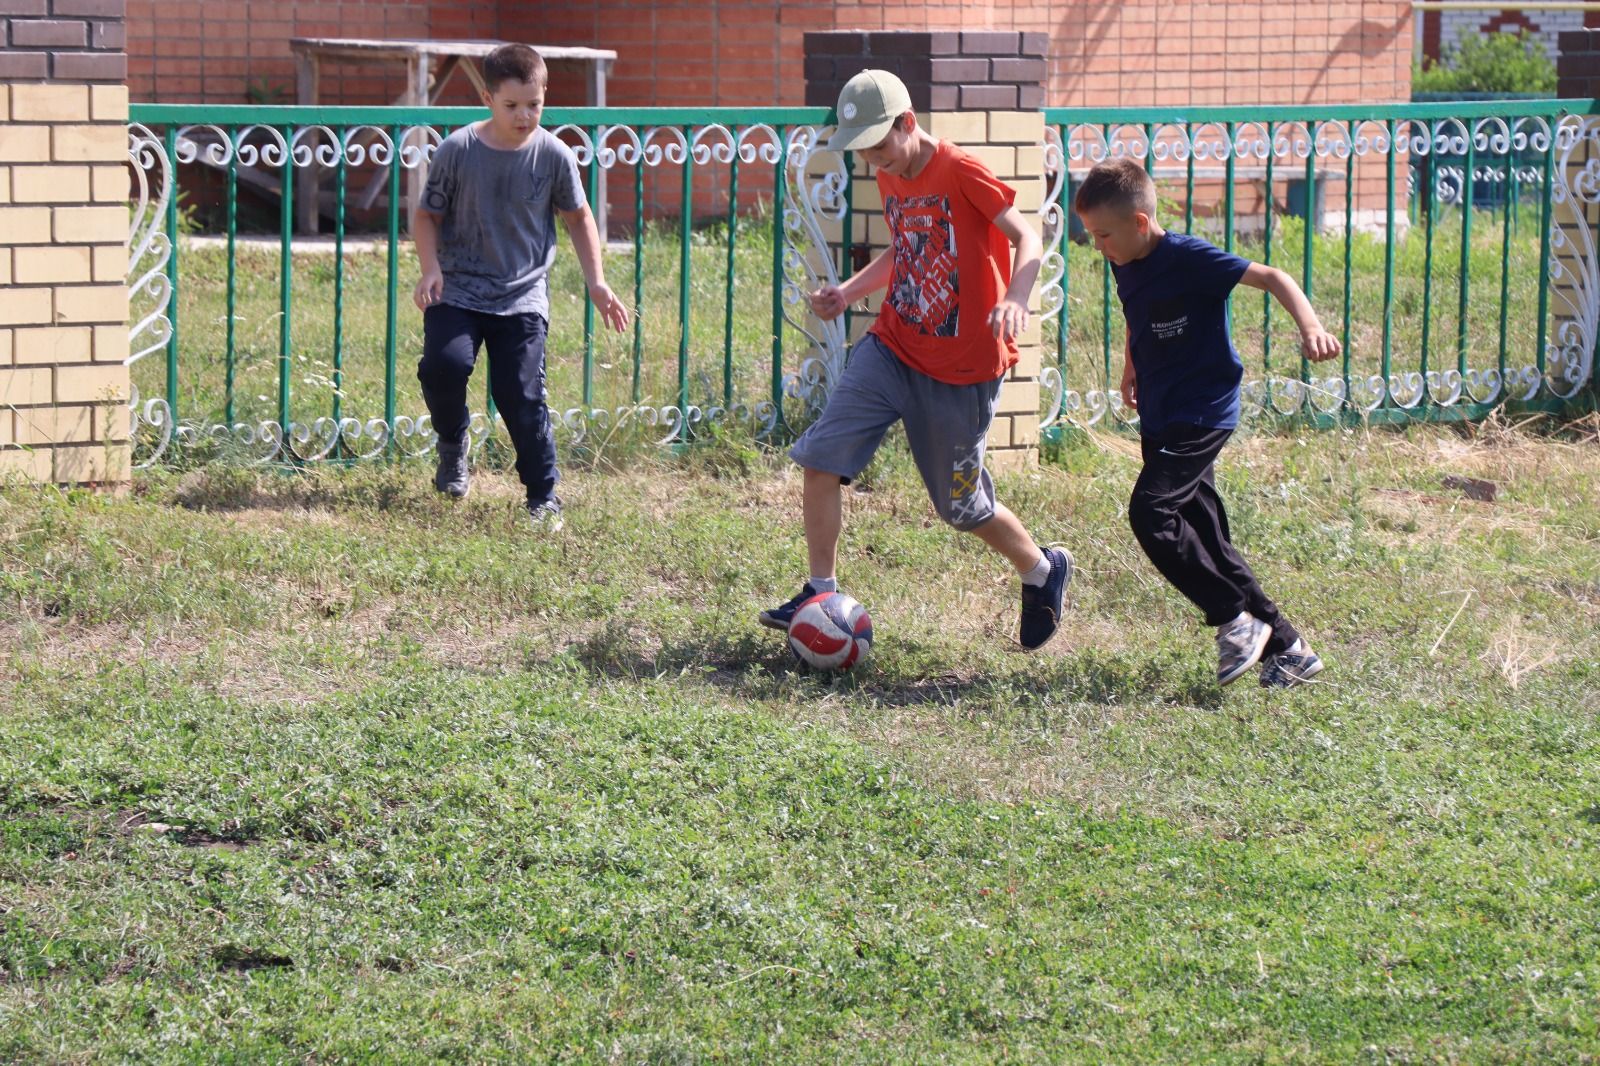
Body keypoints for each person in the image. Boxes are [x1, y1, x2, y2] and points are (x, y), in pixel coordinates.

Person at [758, 69, 1074, 651]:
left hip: (963, 372)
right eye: (863, 153)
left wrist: (1015, 297)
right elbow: (906, 252)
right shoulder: (891, 172)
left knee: (960, 507)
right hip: (893, 347)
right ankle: (818, 592)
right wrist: (848, 294)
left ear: (907, 123)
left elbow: (1027, 237)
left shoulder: (960, 170)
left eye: (879, 147)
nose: (874, 163)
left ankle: (1041, 570)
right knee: (822, 457)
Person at [1074, 158, 1338, 687]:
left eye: (1103, 234)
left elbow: (1272, 276)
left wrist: (1309, 325)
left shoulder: (1189, 257)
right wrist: (1130, 368)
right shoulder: (1123, 258)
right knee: (1207, 538)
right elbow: (1136, 314)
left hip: (1203, 411)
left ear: (1141, 223)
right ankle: (1289, 648)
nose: (1098, 246)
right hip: (1161, 410)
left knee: (1151, 514)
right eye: (1092, 236)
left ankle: (1231, 619)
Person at [412, 43, 628, 530]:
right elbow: (427, 215)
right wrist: (430, 269)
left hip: (522, 295)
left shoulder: (553, 155)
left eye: (534, 104)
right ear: (487, 97)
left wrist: (596, 281)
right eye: (512, 105)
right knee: (444, 367)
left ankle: (544, 495)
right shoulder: (458, 151)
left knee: (521, 393)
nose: (525, 115)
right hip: (460, 288)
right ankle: (453, 444)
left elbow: (578, 216)